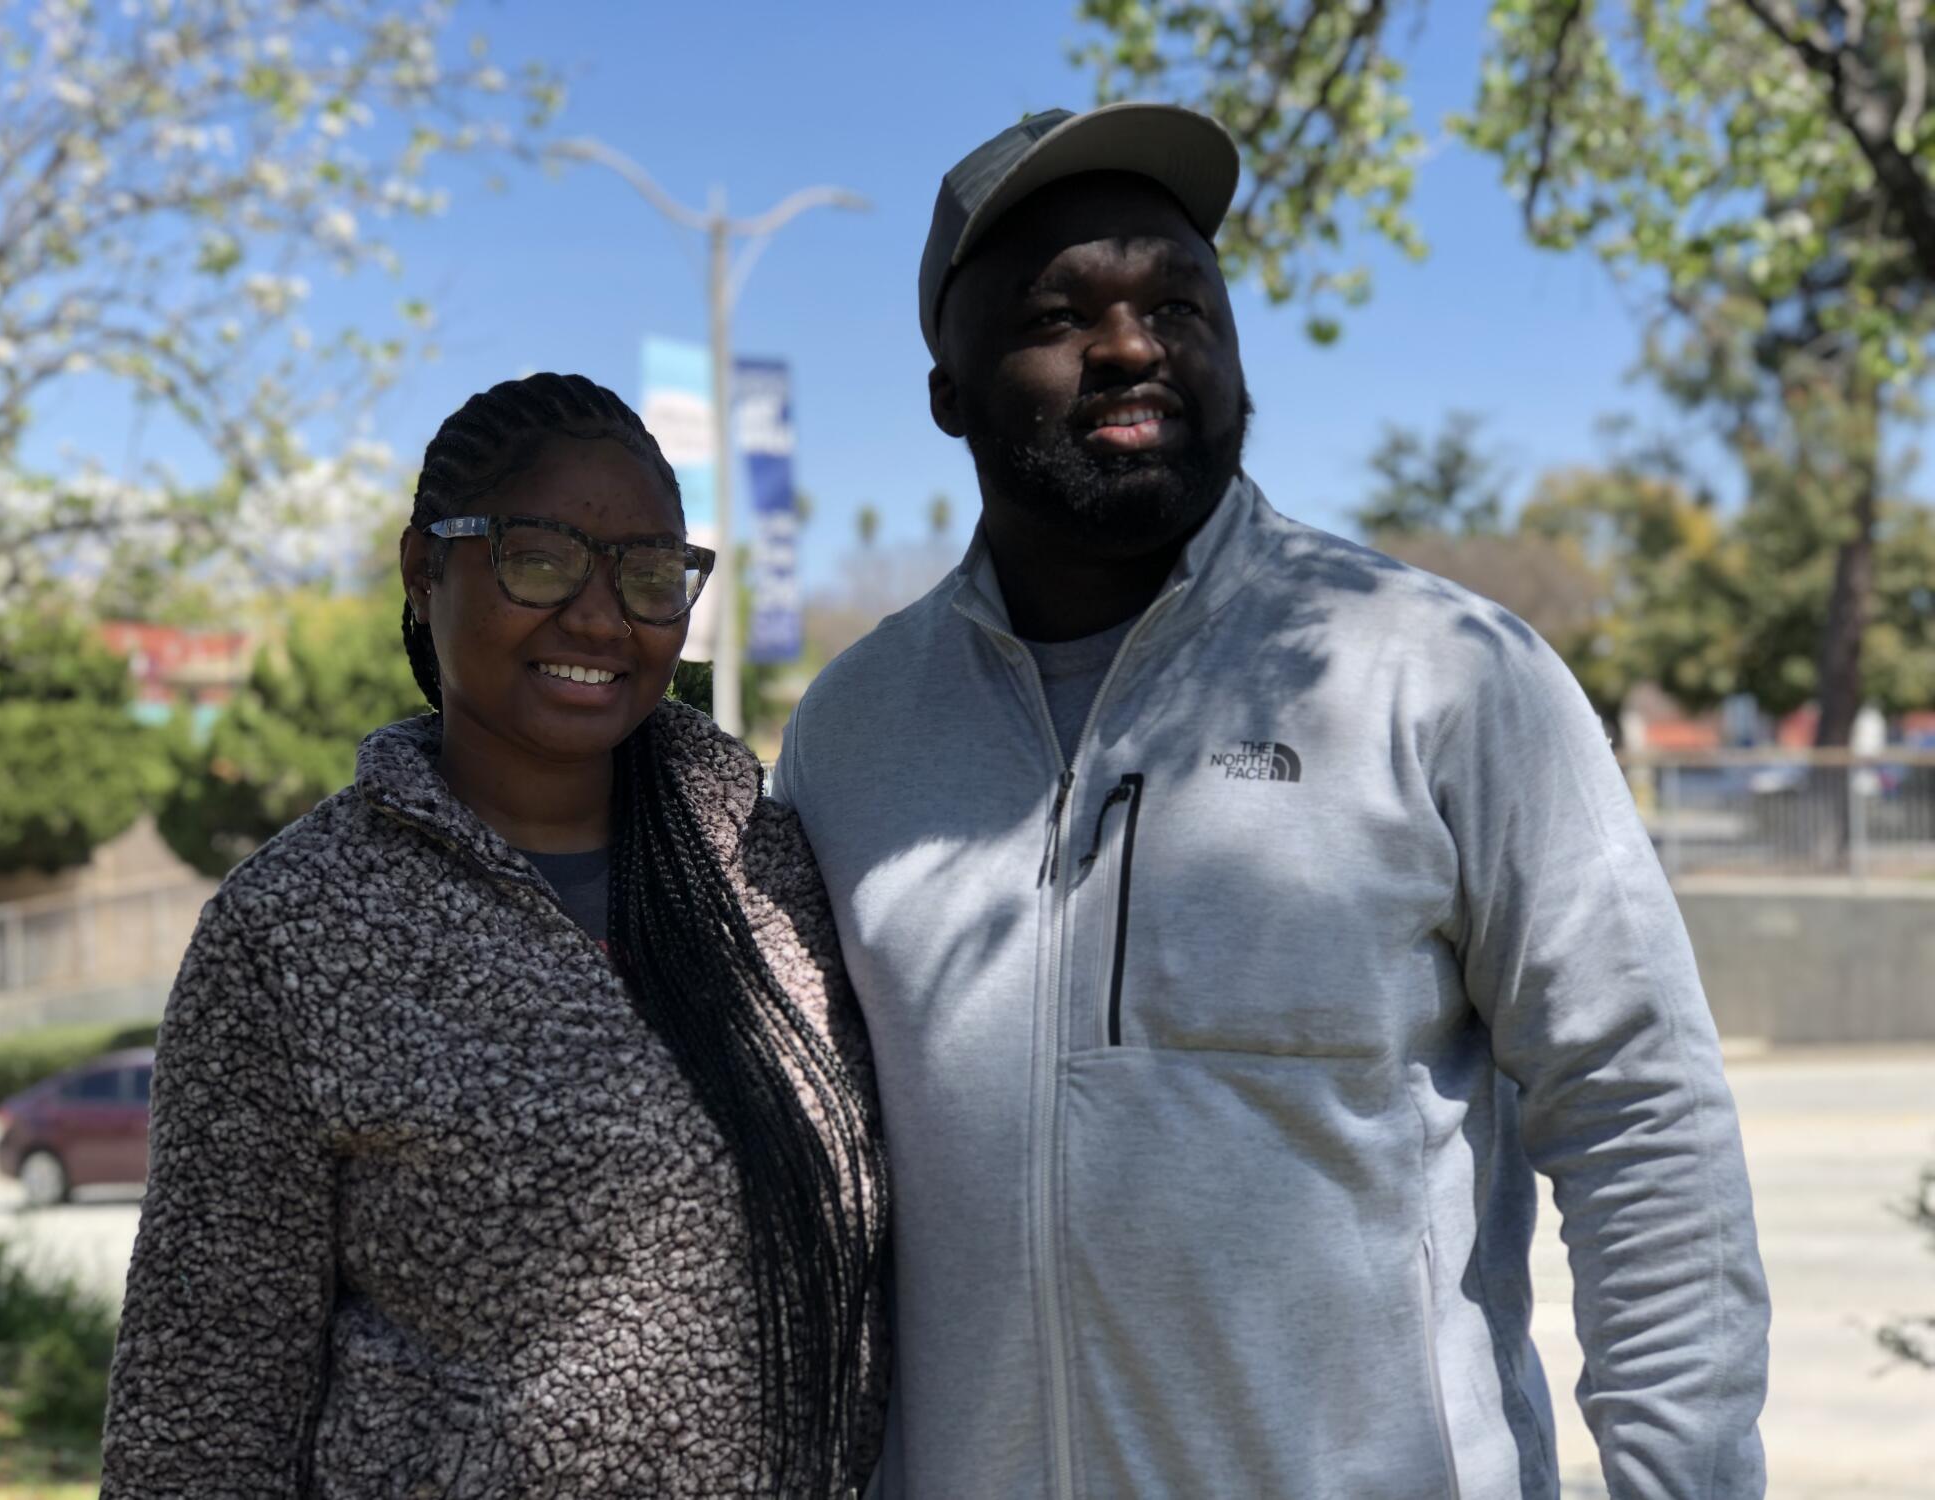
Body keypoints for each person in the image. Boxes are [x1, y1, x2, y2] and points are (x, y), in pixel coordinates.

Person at [771, 104, 1770, 1498]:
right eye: (1064, 313)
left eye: (1180, 300)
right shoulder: (854, 729)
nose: (1134, 345)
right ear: (948, 387)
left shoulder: (1441, 673)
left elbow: (1640, 1108)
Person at [101, 373, 888, 1499]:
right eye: (540, 555)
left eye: (651, 574)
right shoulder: (292, 934)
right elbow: (203, 1413)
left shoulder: (772, 874)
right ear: (425, 569)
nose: (601, 615)